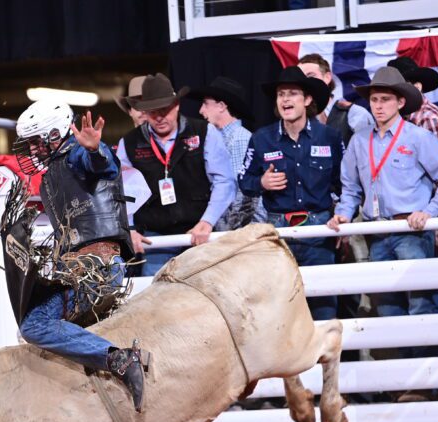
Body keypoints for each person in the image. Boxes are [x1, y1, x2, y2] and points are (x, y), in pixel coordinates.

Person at [327, 67, 438, 401]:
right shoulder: (360, 141)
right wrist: (343, 212)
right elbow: (350, 187)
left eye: (385, 99)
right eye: (374, 100)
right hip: (378, 233)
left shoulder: (417, 137)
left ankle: (430, 380)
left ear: (400, 102)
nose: (378, 106)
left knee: (420, 306)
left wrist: (430, 211)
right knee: (388, 310)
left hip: (409, 230)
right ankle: (411, 383)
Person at [10, 99, 147, 411]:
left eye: (35, 143)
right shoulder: (55, 172)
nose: (32, 151)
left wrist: (95, 151)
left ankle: (118, 358)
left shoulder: (77, 155)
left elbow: (101, 165)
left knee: (33, 325)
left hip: (97, 269)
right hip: (84, 267)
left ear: (55, 135)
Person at [239, 67, 343, 320]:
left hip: (319, 230)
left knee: (323, 305)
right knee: (281, 308)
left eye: (293, 94)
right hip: (278, 232)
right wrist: (262, 181)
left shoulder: (329, 136)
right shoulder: (262, 139)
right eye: (281, 94)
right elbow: (244, 181)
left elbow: (345, 184)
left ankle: (325, 359)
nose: (285, 99)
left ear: (307, 100)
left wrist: (341, 215)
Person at [116, 73, 237, 276]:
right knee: (158, 299)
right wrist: (130, 228)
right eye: (153, 112)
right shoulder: (129, 144)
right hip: (155, 237)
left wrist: (207, 222)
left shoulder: (204, 132)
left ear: (177, 105)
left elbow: (224, 181)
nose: (160, 117)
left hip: (200, 232)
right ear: (144, 112)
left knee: (208, 293)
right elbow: (121, 191)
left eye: (165, 109)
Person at [185, 76, 261, 230]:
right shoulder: (218, 138)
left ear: (221, 106)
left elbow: (239, 193)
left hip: (234, 228)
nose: (201, 110)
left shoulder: (240, 138)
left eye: (206, 104)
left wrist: (228, 230)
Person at [297, 53, 375, 144]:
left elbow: (369, 155)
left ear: (327, 77)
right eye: (300, 78)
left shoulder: (356, 115)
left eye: (311, 76)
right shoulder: (294, 117)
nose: (305, 82)